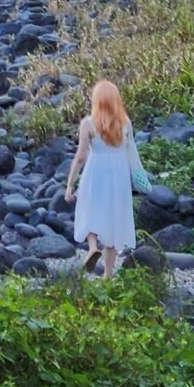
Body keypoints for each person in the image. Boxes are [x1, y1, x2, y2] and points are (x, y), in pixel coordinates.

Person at [64, 79, 150, 278]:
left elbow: (81, 156)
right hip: (118, 176)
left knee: (88, 209)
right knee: (113, 219)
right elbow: (130, 151)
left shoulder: (88, 123)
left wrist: (70, 184)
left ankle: (93, 246)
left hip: (95, 172)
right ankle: (108, 276)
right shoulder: (125, 122)